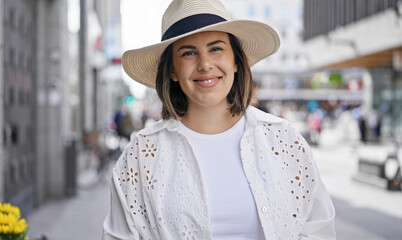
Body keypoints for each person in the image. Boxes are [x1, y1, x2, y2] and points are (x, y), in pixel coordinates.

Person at [103, 0, 336, 239]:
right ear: (172, 70)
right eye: (189, 53)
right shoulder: (141, 156)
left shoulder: (283, 140)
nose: (205, 64)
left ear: (235, 61)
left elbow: (319, 228)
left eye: (216, 49)